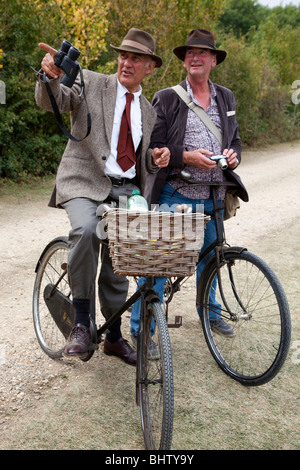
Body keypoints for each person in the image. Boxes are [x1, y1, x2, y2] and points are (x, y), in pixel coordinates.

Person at [35, 28, 170, 365]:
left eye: (136, 58)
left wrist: (154, 160)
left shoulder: (149, 111)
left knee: (119, 261)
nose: (127, 62)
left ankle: (112, 335)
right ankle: (81, 323)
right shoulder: (91, 82)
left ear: (149, 66)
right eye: (123, 55)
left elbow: (139, 162)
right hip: (83, 181)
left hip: (124, 190)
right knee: (85, 229)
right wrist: (50, 77)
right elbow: (54, 101)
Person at [130, 29, 248, 344]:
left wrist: (233, 155)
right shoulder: (167, 97)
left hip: (215, 196)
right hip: (177, 194)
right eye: (190, 53)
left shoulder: (226, 96)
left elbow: (234, 139)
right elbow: (155, 148)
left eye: (202, 53)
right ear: (185, 61)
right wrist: (187, 158)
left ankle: (210, 313)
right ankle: (143, 329)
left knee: (212, 259)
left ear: (213, 60)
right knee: (158, 263)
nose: (195, 57)